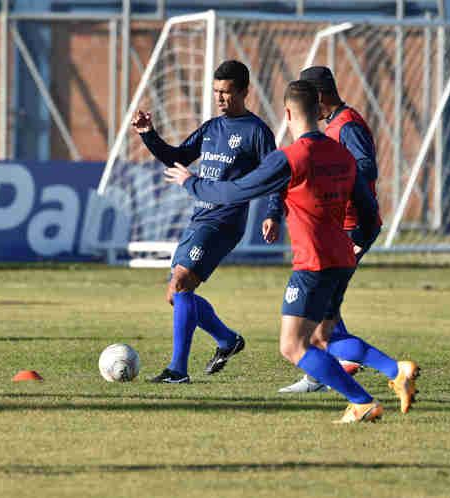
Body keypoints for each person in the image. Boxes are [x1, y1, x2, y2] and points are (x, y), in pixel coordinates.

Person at [164, 79, 385, 423]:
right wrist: (362, 238)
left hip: (313, 261)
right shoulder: (341, 153)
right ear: (319, 109)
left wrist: (191, 183)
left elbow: (236, 191)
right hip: (343, 257)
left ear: (287, 113)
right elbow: (368, 208)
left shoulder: (291, 157)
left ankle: (363, 400)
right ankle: (386, 377)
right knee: (322, 337)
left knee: (293, 346)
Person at [276, 66, 419, 414]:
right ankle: (390, 373)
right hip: (339, 230)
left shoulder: (347, 126)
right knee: (324, 330)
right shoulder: (334, 127)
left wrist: (337, 186)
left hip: (348, 230)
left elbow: (364, 168)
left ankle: (352, 386)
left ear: (321, 97)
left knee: (316, 332)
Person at [133, 60, 281, 383]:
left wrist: (272, 213)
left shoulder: (257, 132)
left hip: (225, 222)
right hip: (200, 217)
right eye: (216, 92)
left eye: (227, 92)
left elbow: (276, 176)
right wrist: (148, 135)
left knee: (182, 282)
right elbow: (178, 156)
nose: (220, 98)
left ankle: (178, 370)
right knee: (175, 294)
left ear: (244, 92)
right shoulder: (212, 128)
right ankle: (227, 340)